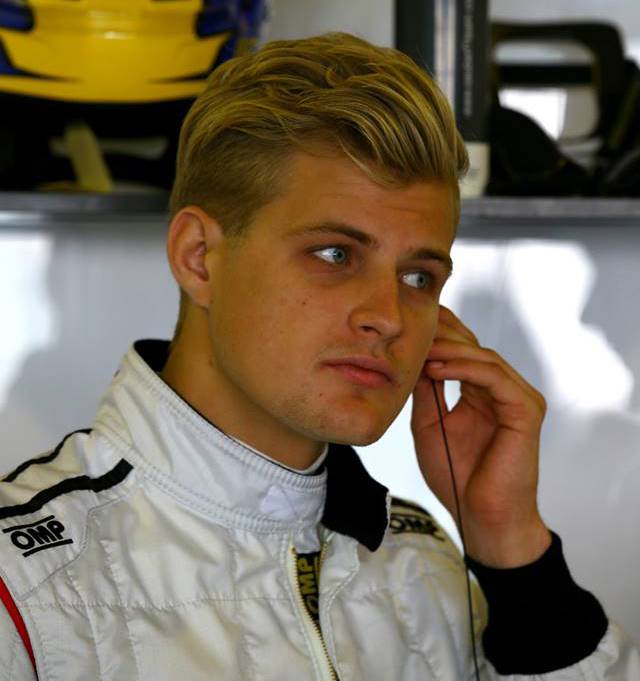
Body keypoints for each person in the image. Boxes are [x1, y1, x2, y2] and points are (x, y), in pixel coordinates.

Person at [0, 32, 638, 681]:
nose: (388, 315)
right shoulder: (20, 586)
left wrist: (515, 552)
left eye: (419, 277)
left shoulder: (426, 567)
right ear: (199, 257)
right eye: (335, 254)